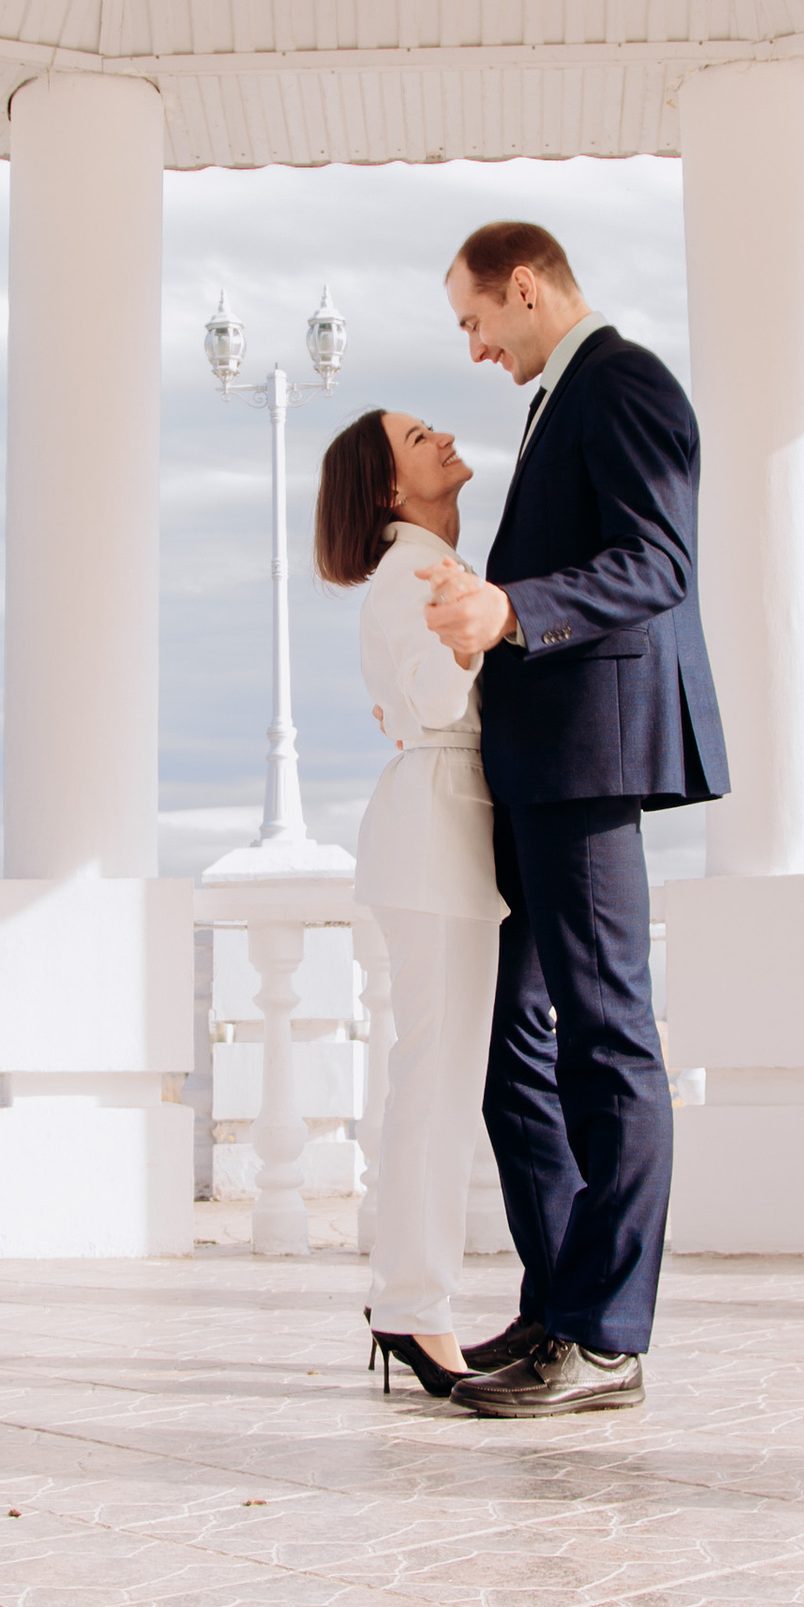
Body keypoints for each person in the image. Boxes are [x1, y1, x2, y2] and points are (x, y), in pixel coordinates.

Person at [422, 221, 725, 1416]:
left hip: (593, 752)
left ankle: (606, 1337)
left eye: (473, 319)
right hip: (538, 762)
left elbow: (658, 562)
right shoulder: (561, 396)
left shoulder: (624, 379)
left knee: (607, 1036)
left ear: (526, 286)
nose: (474, 346)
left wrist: (510, 609)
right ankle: (557, 1301)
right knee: (514, 1043)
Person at [312, 403, 503, 1402]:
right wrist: (474, 624)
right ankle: (411, 1308)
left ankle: (413, 1301)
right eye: (415, 437)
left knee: (440, 1084)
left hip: (443, 829)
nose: (439, 436)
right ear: (389, 489)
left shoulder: (426, 567)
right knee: (432, 1087)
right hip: (432, 833)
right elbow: (433, 702)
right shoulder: (415, 572)